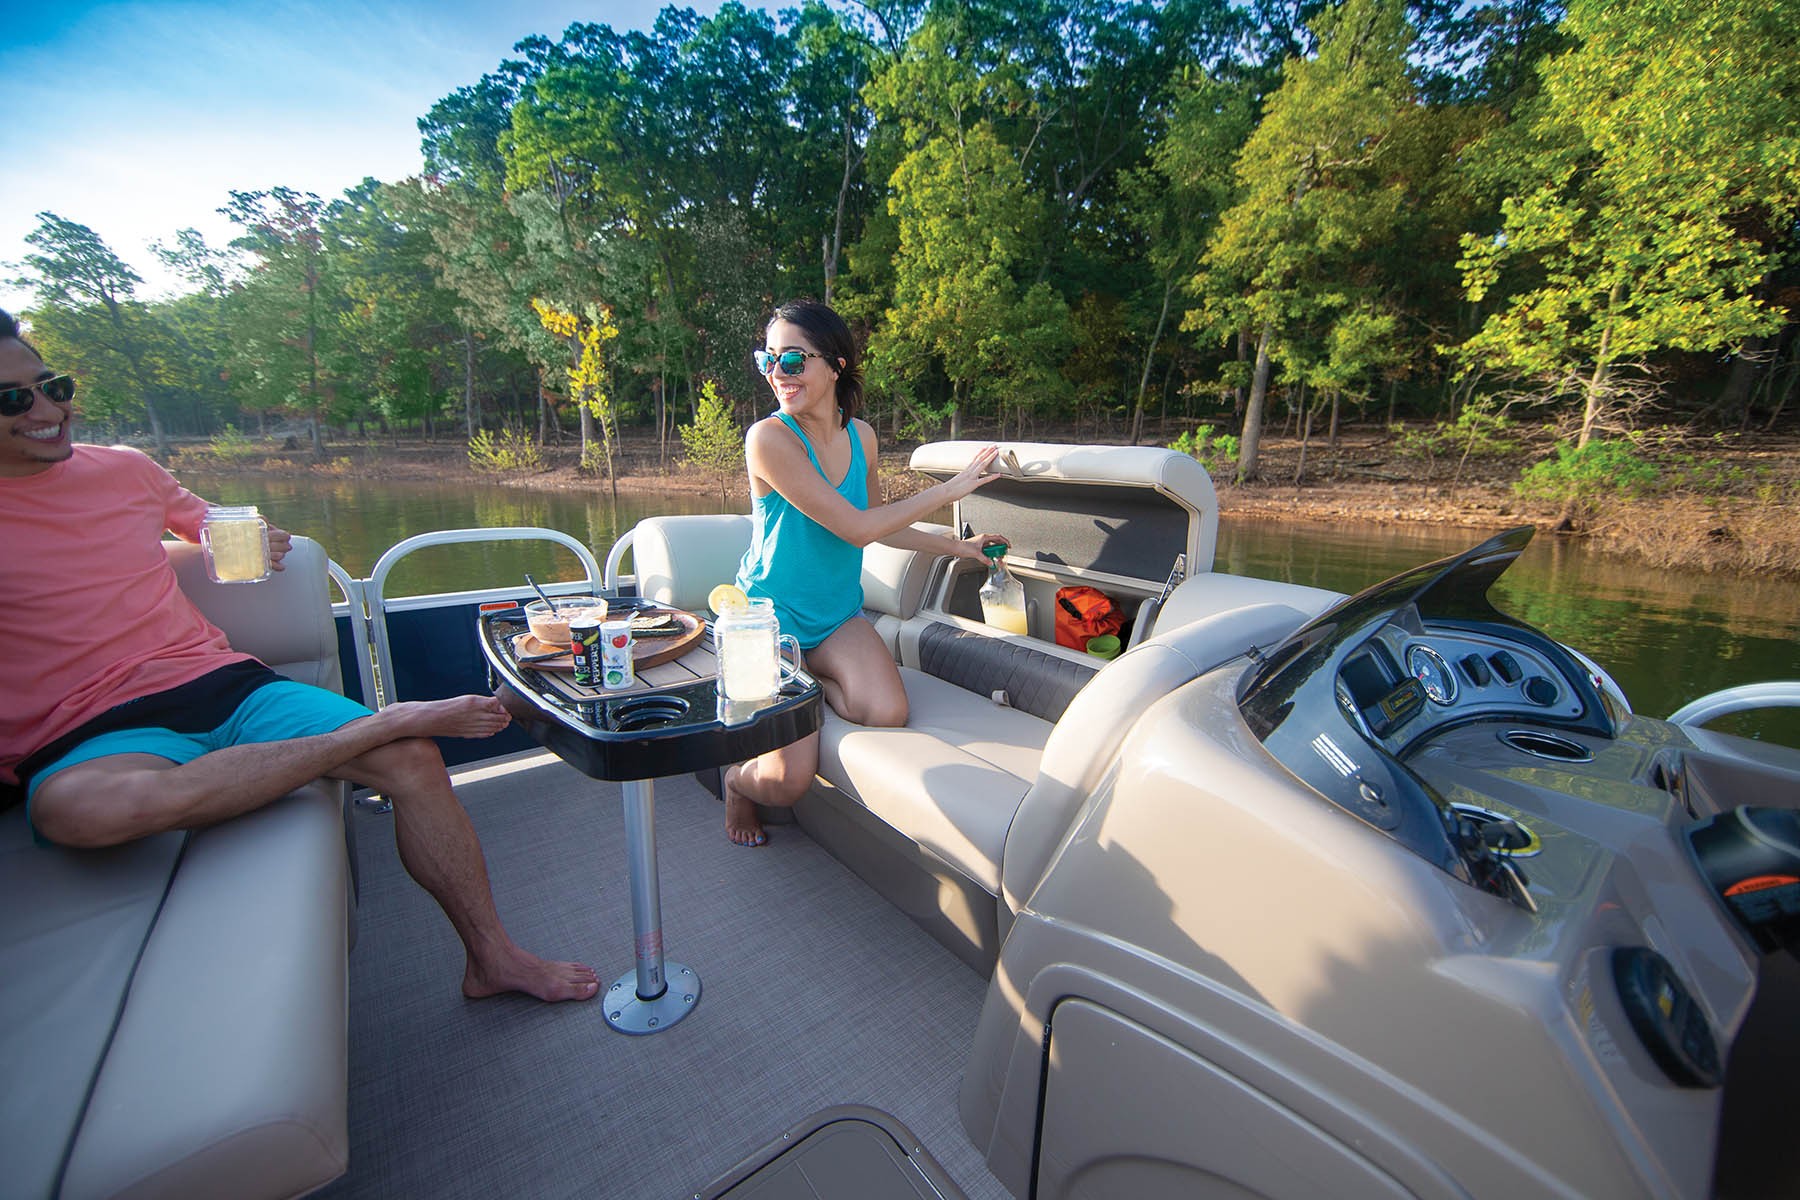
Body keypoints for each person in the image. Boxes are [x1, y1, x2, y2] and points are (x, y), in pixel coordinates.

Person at [0, 310, 598, 1003]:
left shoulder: (127, 470)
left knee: (414, 760)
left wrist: (261, 538)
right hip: (86, 730)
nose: (47, 410)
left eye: (54, 386)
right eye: (14, 399)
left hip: (216, 681)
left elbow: (212, 523)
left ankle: (493, 958)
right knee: (78, 815)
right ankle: (383, 720)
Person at [722, 299, 1003, 846]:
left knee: (887, 710)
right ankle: (736, 783)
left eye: (793, 360)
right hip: (768, 623)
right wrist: (951, 488)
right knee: (785, 781)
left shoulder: (862, 437)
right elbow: (853, 528)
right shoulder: (770, 438)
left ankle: (815, 682)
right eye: (768, 359)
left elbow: (875, 525)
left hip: (834, 618)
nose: (778, 372)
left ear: (835, 364)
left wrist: (958, 548)